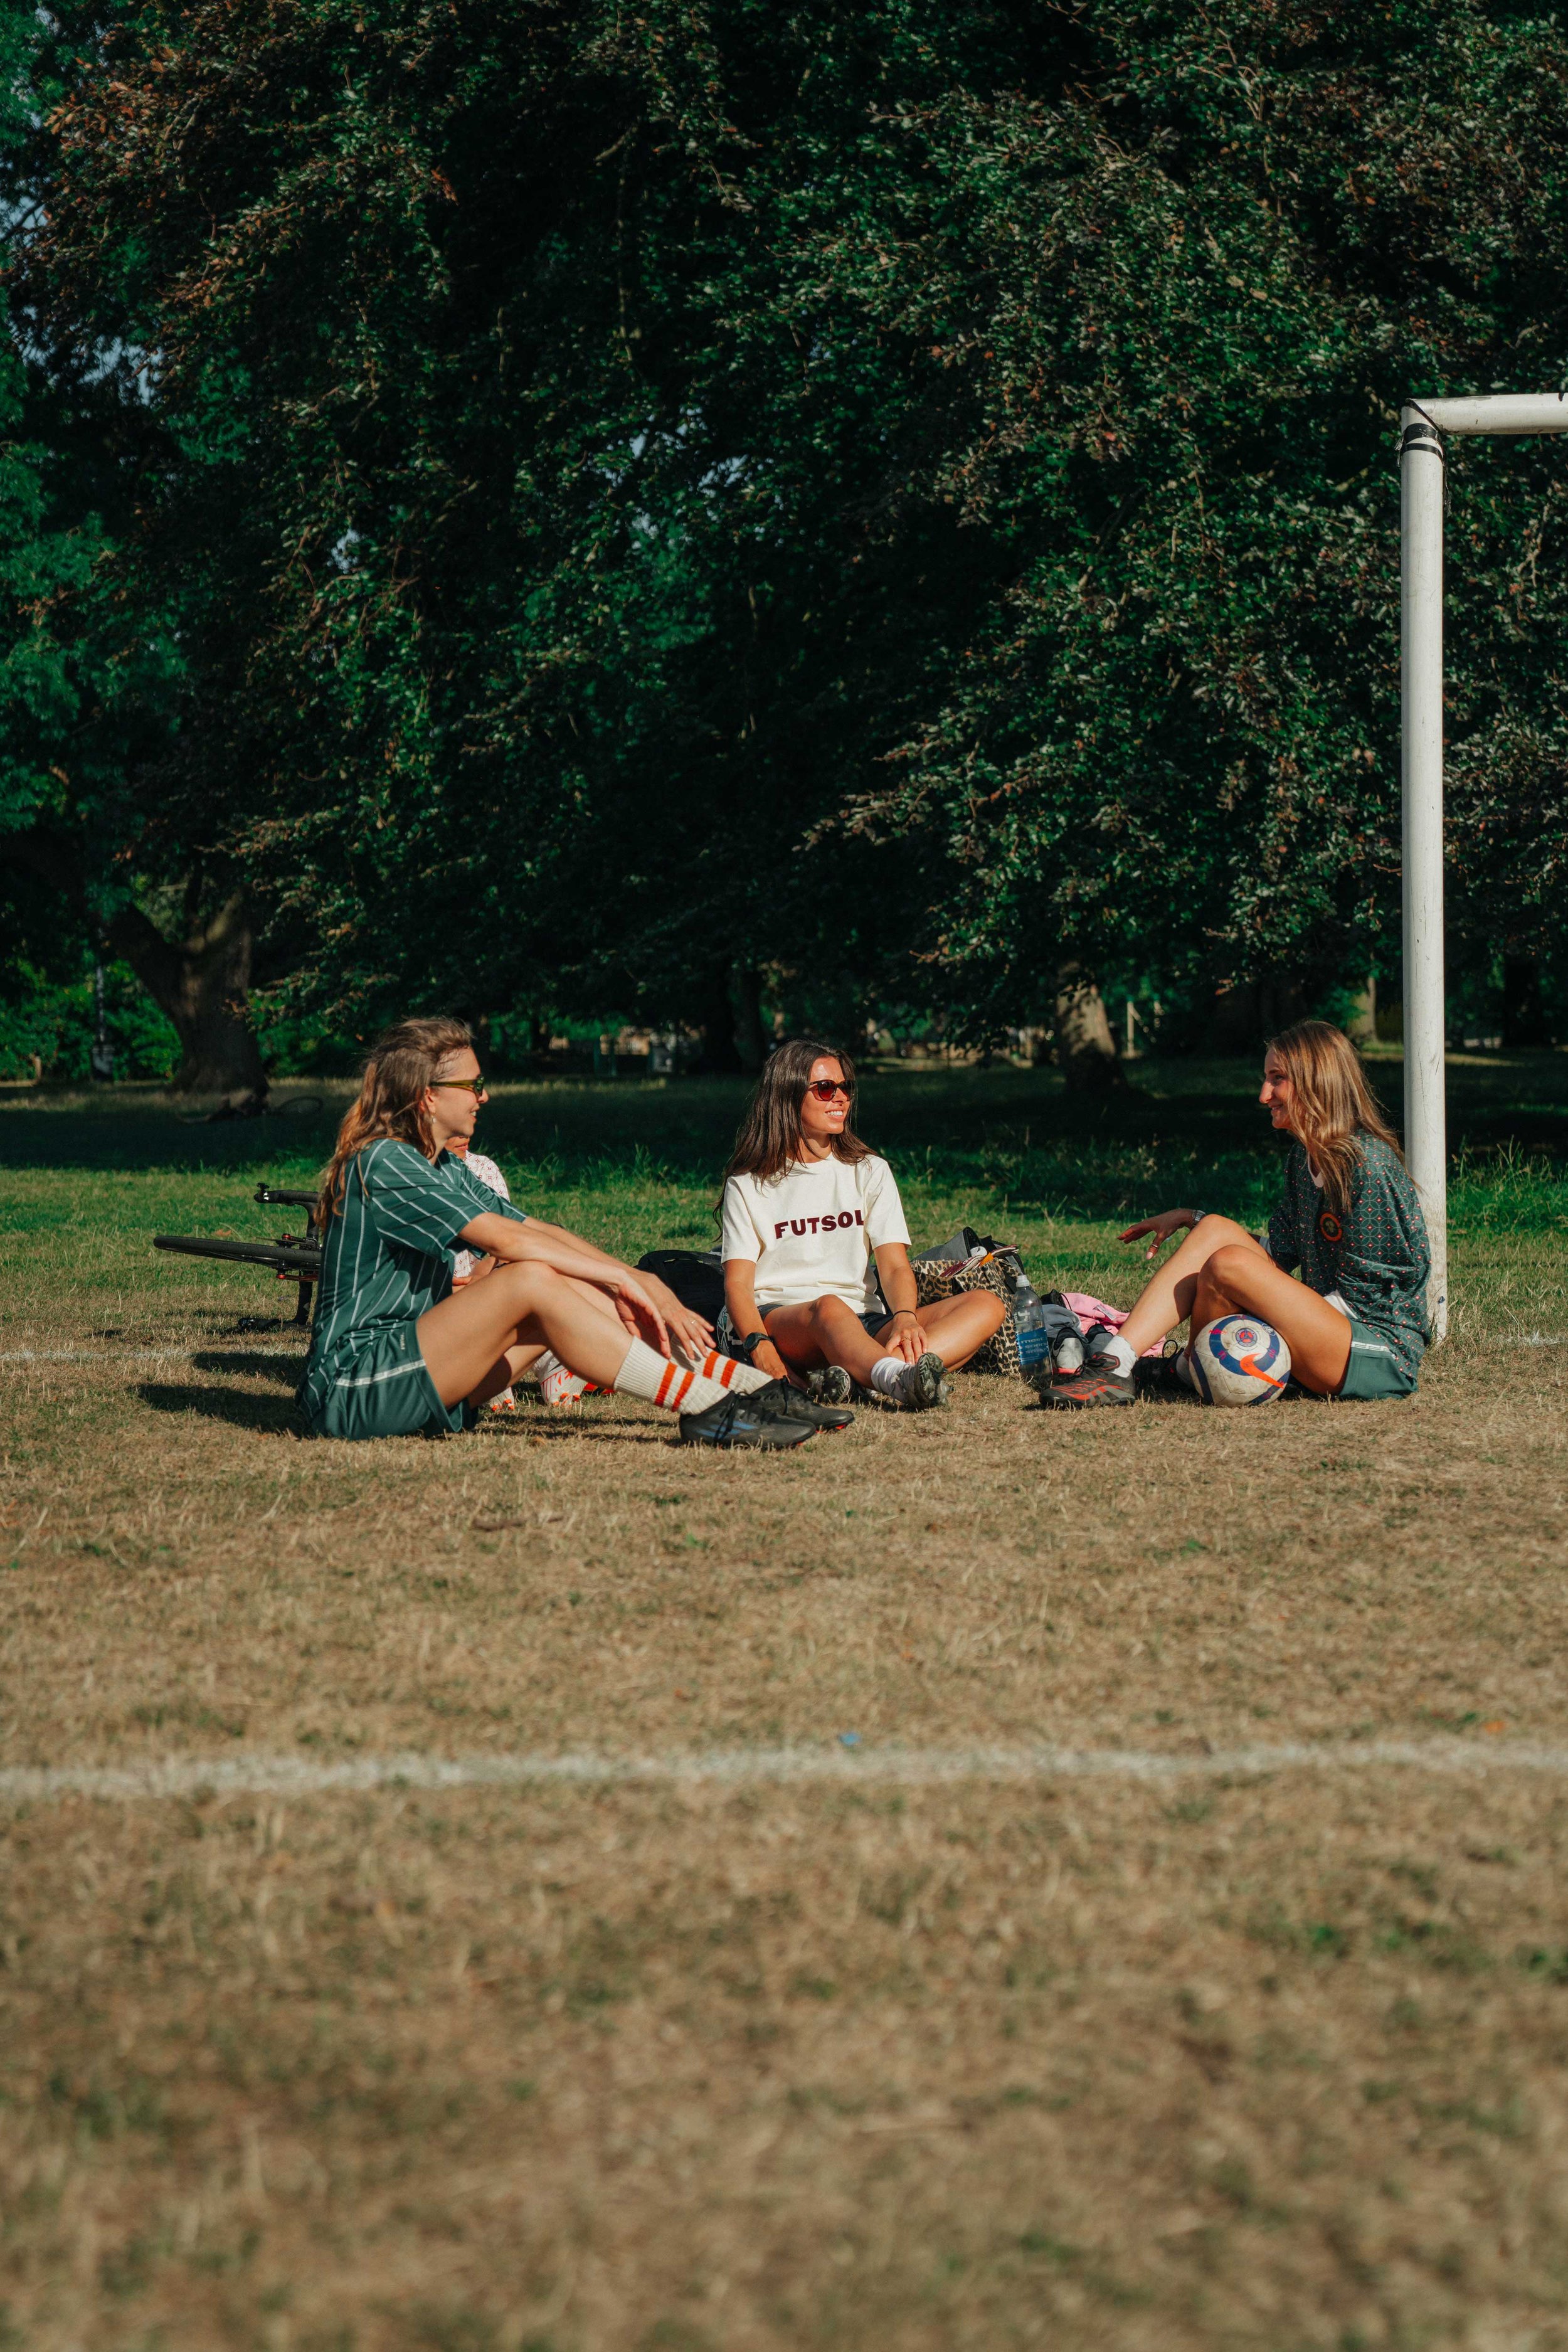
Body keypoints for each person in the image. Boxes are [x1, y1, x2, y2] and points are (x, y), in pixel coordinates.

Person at [299, 1017, 852, 1449]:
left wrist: (628, 1280)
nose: (482, 1097)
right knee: (530, 1279)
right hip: (353, 1387)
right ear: (428, 1096)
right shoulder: (384, 1162)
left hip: (415, 1372)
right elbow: (508, 1244)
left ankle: (758, 1392)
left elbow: (536, 1227)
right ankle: (707, 1406)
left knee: (581, 1290)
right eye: (473, 1084)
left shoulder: (438, 1163)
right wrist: (633, 1281)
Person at [1044, 1019, 1431, 1407]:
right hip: (1329, 1332)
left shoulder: (1368, 1166)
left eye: (1277, 1079)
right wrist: (1192, 1219)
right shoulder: (1303, 1158)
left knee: (1229, 1264)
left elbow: (1371, 1297)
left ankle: (1186, 1367)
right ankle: (1114, 1364)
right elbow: (1278, 1252)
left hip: (1376, 1350)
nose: (1264, 1095)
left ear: (1317, 1081)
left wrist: (1265, 1319)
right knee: (1216, 1231)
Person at [718, 1037, 1007, 1408]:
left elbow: (894, 1266)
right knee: (829, 1307)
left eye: (845, 1087)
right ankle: (895, 1377)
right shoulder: (749, 1184)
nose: (840, 1097)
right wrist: (760, 1348)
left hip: (863, 1318)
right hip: (786, 1320)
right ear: (788, 1096)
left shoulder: (870, 1171)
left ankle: (864, 1376)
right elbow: (738, 1285)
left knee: (986, 1304)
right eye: (825, 1088)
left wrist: (904, 1317)